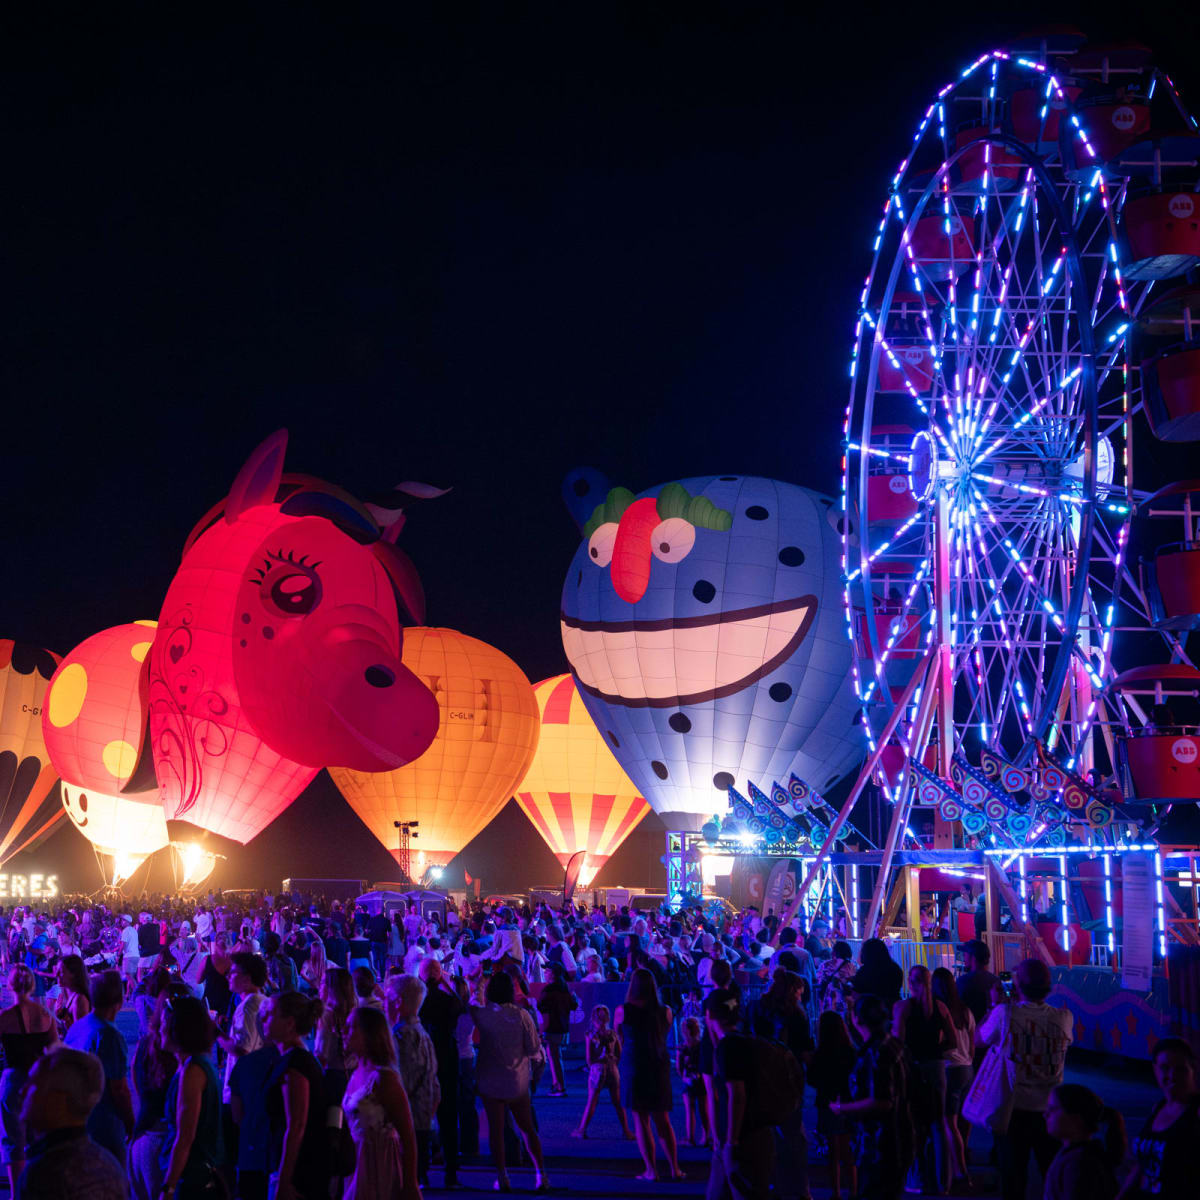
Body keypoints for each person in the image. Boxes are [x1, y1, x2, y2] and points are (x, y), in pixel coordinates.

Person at [977, 957, 1073, 1200]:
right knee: (1053, 1175)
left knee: (1013, 1177)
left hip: (1013, 1108)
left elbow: (980, 1039)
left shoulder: (1004, 1013)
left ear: (1017, 985)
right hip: (1051, 1107)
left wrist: (995, 1004)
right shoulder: (1064, 1018)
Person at [469, 968, 550, 1192]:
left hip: (490, 1079)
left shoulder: (483, 1014)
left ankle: (502, 1176)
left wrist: (481, 982)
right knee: (527, 1129)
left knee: (496, 1131)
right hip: (518, 1078)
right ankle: (541, 1174)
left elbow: (472, 1002)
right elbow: (534, 1049)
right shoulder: (522, 1015)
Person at [18, 1047, 128, 1199]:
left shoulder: (43, 1176)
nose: (22, 1091)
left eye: (34, 1084)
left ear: (57, 1099)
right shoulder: (110, 1166)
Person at [830, 994, 912, 1200]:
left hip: (880, 1144)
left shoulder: (876, 1052)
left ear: (857, 1018)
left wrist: (842, 1109)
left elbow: (882, 1101)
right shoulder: (894, 1044)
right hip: (902, 1135)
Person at [343, 1005, 421, 1200]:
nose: (345, 1033)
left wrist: (410, 1183)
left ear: (370, 1034)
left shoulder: (384, 1079)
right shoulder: (356, 1073)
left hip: (379, 1162)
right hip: (357, 1160)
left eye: (352, 1027)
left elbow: (408, 1136)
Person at [703, 986, 773, 1200]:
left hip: (739, 1136)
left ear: (710, 1014)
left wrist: (731, 1142)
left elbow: (737, 1094)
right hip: (753, 1131)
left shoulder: (728, 1047)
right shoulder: (743, 1041)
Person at [617, 966, 684, 1181]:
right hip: (658, 1063)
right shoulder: (665, 1010)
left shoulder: (623, 1010)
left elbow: (621, 1038)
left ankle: (651, 1170)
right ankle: (674, 1168)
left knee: (641, 1118)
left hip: (635, 1063)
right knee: (662, 1118)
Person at [262, 991, 330, 1200]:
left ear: (290, 1023)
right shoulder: (292, 1059)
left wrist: (284, 1179)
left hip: (300, 1169)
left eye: (270, 1014)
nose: (264, 1020)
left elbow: (296, 1125)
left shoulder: (296, 1065)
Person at [893, 964, 952, 1194]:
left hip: (913, 1068)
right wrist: (935, 1050)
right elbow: (953, 1041)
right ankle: (943, 1181)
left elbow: (898, 1040)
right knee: (939, 1124)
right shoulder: (940, 1007)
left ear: (910, 982)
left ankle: (916, 1177)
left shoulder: (904, 1008)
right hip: (936, 1066)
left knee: (913, 1123)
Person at [63, 969, 133, 1163]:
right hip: (103, 1121)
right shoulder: (109, 1035)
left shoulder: (79, 1026)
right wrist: (131, 1124)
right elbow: (119, 1088)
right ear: (118, 1002)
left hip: (77, 1118)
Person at [158, 994, 223, 1199]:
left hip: (192, 1176)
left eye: (163, 1024)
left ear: (179, 1029)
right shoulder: (193, 1065)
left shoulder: (192, 1071)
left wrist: (168, 1187)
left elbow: (185, 1136)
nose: (160, 1029)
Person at [0, 963, 56, 1193]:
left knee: (14, 1139)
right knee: (38, 1137)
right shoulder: (45, 1015)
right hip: (39, 1080)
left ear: (9, 985)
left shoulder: (4, 1017)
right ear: (33, 985)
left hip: (13, 1080)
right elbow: (55, 1051)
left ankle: (17, 1193)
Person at [1123, 1036, 1200, 1200]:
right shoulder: (1158, 1108)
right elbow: (1142, 1165)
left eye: (1180, 1069)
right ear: (1155, 1069)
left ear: (1193, 1068)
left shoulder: (1196, 1112)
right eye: (1165, 1068)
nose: (1172, 1076)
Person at [390, 975, 440, 1189]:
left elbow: (404, 1083)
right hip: (422, 1117)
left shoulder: (403, 1036)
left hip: (408, 1120)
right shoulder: (423, 1033)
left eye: (389, 998)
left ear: (399, 1001)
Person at [417, 957, 462, 1188]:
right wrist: (446, 982)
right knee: (448, 1117)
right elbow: (460, 1006)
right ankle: (451, 1173)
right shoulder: (446, 999)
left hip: (423, 1062)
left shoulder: (419, 1000)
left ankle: (421, 1173)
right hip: (446, 1058)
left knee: (421, 1119)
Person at [931, 966, 974, 1191]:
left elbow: (940, 1042)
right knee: (961, 1122)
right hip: (967, 1067)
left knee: (948, 1123)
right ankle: (961, 1160)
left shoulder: (940, 1011)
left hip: (950, 1067)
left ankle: (960, 1171)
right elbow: (973, 1041)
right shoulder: (965, 1010)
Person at [1043, 1084, 1125, 1200]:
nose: (1045, 1114)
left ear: (1076, 1118)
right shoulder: (1076, 1154)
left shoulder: (1078, 1164)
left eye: (1053, 1109)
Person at [809, 1011, 857, 1200]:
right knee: (848, 1149)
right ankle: (853, 1190)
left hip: (826, 1102)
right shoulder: (849, 1051)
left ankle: (836, 1191)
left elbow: (812, 1079)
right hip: (846, 1100)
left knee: (833, 1151)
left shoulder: (820, 1053)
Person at [573, 1004, 633, 1140]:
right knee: (617, 1102)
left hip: (597, 1069)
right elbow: (620, 1053)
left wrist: (592, 1067)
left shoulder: (590, 1035)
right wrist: (613, 1063)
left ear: (593, 1018)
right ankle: (626, 1131)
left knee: (592, 1101)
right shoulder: (613, 1034)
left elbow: (589, 1058)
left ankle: (582, 1130)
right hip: (612, 1068)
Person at [537, 962, 577, 1097]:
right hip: (563, 1028)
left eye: (547, 971)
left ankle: (559, 1086)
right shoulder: (565, 989)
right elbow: (573, 1005)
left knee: (554, 1059)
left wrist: (542, 1031)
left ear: (553, 973)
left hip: (552, 1028)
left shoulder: (548, 991)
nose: (545, 973)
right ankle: (558, 1084)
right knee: (556, 1057)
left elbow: (545, 1014)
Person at [675, 1016, 706, 1147]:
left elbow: (678, 1066)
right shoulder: (701, 1046)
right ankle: (705, 1137)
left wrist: (684, 1077)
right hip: (700, 1081)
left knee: (691, 1110)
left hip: (689, 1080)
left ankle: (691, 1138)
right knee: (703, 1109)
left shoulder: (683, 1047)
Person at [851, 939, 904, 1010]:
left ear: (866, 953)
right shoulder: (895, 968)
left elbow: (857, 990)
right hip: (893, 1009)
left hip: (871, 1011)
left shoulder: (865, 971)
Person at [957, 940, 999, 1026]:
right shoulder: (996, 981)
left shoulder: (963, 981)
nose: (964, 957)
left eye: (965, 954)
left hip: (971, 1029)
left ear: (973, 957)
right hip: (991, 1029)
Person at [54, 954, 92, 1038]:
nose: (56, 975)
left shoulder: (80, 999)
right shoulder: (72, 995)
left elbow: (80, 1035)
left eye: (61, 971)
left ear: (74, 974)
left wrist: (64, 1017)